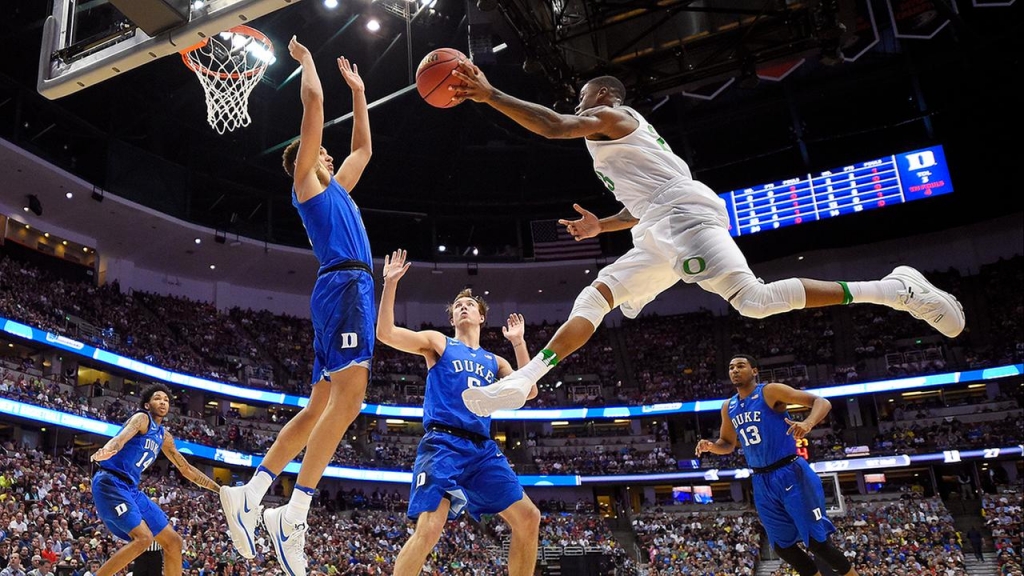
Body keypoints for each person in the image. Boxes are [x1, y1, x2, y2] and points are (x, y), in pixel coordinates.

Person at [450, 67, 966, 417]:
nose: (578, 105)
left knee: (755, 301)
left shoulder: (613, 117)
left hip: (684, 216)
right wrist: (601, 227)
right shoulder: (624, 139)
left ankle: (897, 289)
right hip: (658, 223)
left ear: (604, 97)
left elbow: (555, 126)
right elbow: (640, 202)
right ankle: (524, 379)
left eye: (583, 97)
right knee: (598, 295)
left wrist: (491, 94)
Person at [218, 37, 374, 576]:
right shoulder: (307, 184)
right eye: (322, 152)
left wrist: (358, 93)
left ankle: (252, 492)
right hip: (344, 290)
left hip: (346, 293)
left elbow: (363, 151)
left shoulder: (342, 191)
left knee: (317, 409)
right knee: (350, 402)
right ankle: (296, 509)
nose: (331, 156)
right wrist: (309, 66)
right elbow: (312, 109)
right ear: (305, 162)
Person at [376, 249, 541, 576]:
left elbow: (530, 390)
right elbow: (386, 333)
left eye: (470, 305)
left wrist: (519, 343)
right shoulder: (439, 343)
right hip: (443, 444)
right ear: (452, 318)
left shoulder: (496, 361)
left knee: (529, 518)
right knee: (430, 528)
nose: (464, 307)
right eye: (458, 306)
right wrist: (390, 284)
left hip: (482, 450)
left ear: (481, 317)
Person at [695, 355, 857, 576]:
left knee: (817, 543)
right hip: (761, 480)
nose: (734, 370)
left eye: (741, 366)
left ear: (754, 371)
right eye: (731, 367)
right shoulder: (728, 406)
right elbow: (727, 443)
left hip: (790, 471)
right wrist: (711, 446)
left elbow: (822, 402)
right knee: (782, 546)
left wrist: (807, 423)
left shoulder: (769, 391)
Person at [90, 384, 220, 576]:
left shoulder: (164, 436)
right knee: (144, 539)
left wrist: (220, 489)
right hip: (110, 482)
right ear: (147, 404)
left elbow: (186, 469)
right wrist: (108, 449)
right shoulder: (142, 419)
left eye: (166, 400)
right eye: (158, 398)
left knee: (174, 542)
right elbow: (121, 438)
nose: (163, 402)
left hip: (131, 489)